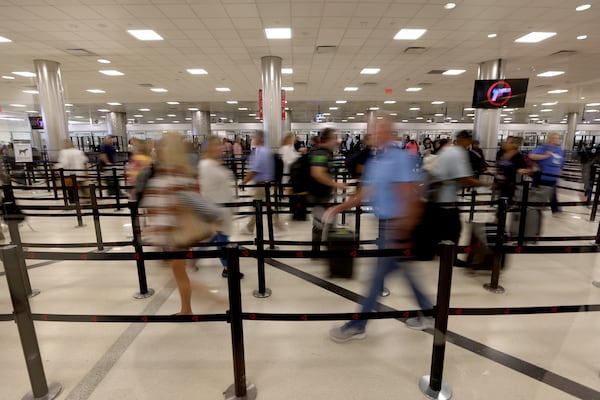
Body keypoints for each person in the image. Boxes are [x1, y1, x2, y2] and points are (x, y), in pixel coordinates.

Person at [327, 117, 433, 342]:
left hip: (396, 225)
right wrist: (339, 207)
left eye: (377, 130)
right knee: (403, 270)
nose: (372, 133)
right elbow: (365, 194)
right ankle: (428, 310)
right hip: (385, 225)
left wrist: (405, 229)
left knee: (376, 280)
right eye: (371, 130)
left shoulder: (400, 158)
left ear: (389, 133)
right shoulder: (376, 160)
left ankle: (358, 325)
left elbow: (408, 192)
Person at [141, 132, 200, 315]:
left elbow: (168, 207)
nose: (158, 149)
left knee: (178, 272)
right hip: (178, 234)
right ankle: (187, 308)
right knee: (177, 271)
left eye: (163, 145)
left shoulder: (171, 175)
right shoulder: (183, 173)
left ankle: (188, 309)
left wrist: (159, 236)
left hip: (174, 235)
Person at [432, 130, 492, 264]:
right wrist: (486, 185)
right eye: (469, 140)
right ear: (464, 140)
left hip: (437, 197)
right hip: (448, 198)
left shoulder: (446, 150)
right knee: (454, 229)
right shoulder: (458, 153)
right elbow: (464, 178)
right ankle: (450, 258)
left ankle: (438, 250)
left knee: (441, 227)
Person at [198, 136, 242, 279]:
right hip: (217, 211)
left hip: (222, 210)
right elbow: (206, 191)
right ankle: (228, 268)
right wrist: (213, 214)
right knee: (221, 240)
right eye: (217, 145)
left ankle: (191, 257)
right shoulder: (206, 166)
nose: (221, 148)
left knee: (213, 238)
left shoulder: (215, 164)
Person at [309, 128, 348, 253]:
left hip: (323, 194)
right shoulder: (320, 154)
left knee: (324, 222)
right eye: (334, 138)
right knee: (320, 223)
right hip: (319, 195)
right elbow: (317, 173)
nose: (336, 141)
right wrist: (336, 184)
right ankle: (319, 251)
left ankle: (324, 249)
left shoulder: (324, 153)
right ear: (328, 139)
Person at [240, 130, 283, 234]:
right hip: (267, 184)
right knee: (267, 206)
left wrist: (243, 182)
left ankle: (249, 228)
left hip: (261, 185)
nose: (252, 139)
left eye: (253, 137)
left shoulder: (260, 152)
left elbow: (254, 170)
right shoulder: (266, 151)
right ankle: (278, 226)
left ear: (258, 139)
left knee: (256, 207)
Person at [527, 133, 565, 216]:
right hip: (542, 175)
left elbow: (561, 161)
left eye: (558, 138)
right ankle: (532, 209)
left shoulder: (559, 150)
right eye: (554, 138)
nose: (557, 140)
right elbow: (532, 156)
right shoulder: (543, 147)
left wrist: (560, 169)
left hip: (553, 176)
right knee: (537, 193)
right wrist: (545, 156)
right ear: (550, 139)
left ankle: (555, 210)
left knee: (552, 193)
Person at [56, 139, 89, 204]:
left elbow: (64, 162)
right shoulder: (79, 151)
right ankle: (86, 198)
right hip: (80, 172)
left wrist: (56, 167)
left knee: (70, 188)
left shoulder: (63, 152)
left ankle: (73, 201)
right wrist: (85, 172)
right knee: (81, 185)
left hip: (69, 173)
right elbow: (85, 161)